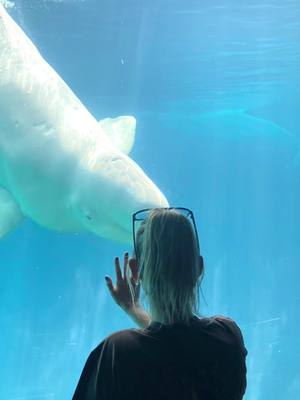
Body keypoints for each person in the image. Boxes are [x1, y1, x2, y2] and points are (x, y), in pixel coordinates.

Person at [73, 207, 247, 400]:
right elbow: (178, 348)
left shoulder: (116, 353)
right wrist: (134, 309)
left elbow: (163, 345)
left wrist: (133, 308)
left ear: (135, 270)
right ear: (199, 267)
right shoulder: (228, 337)